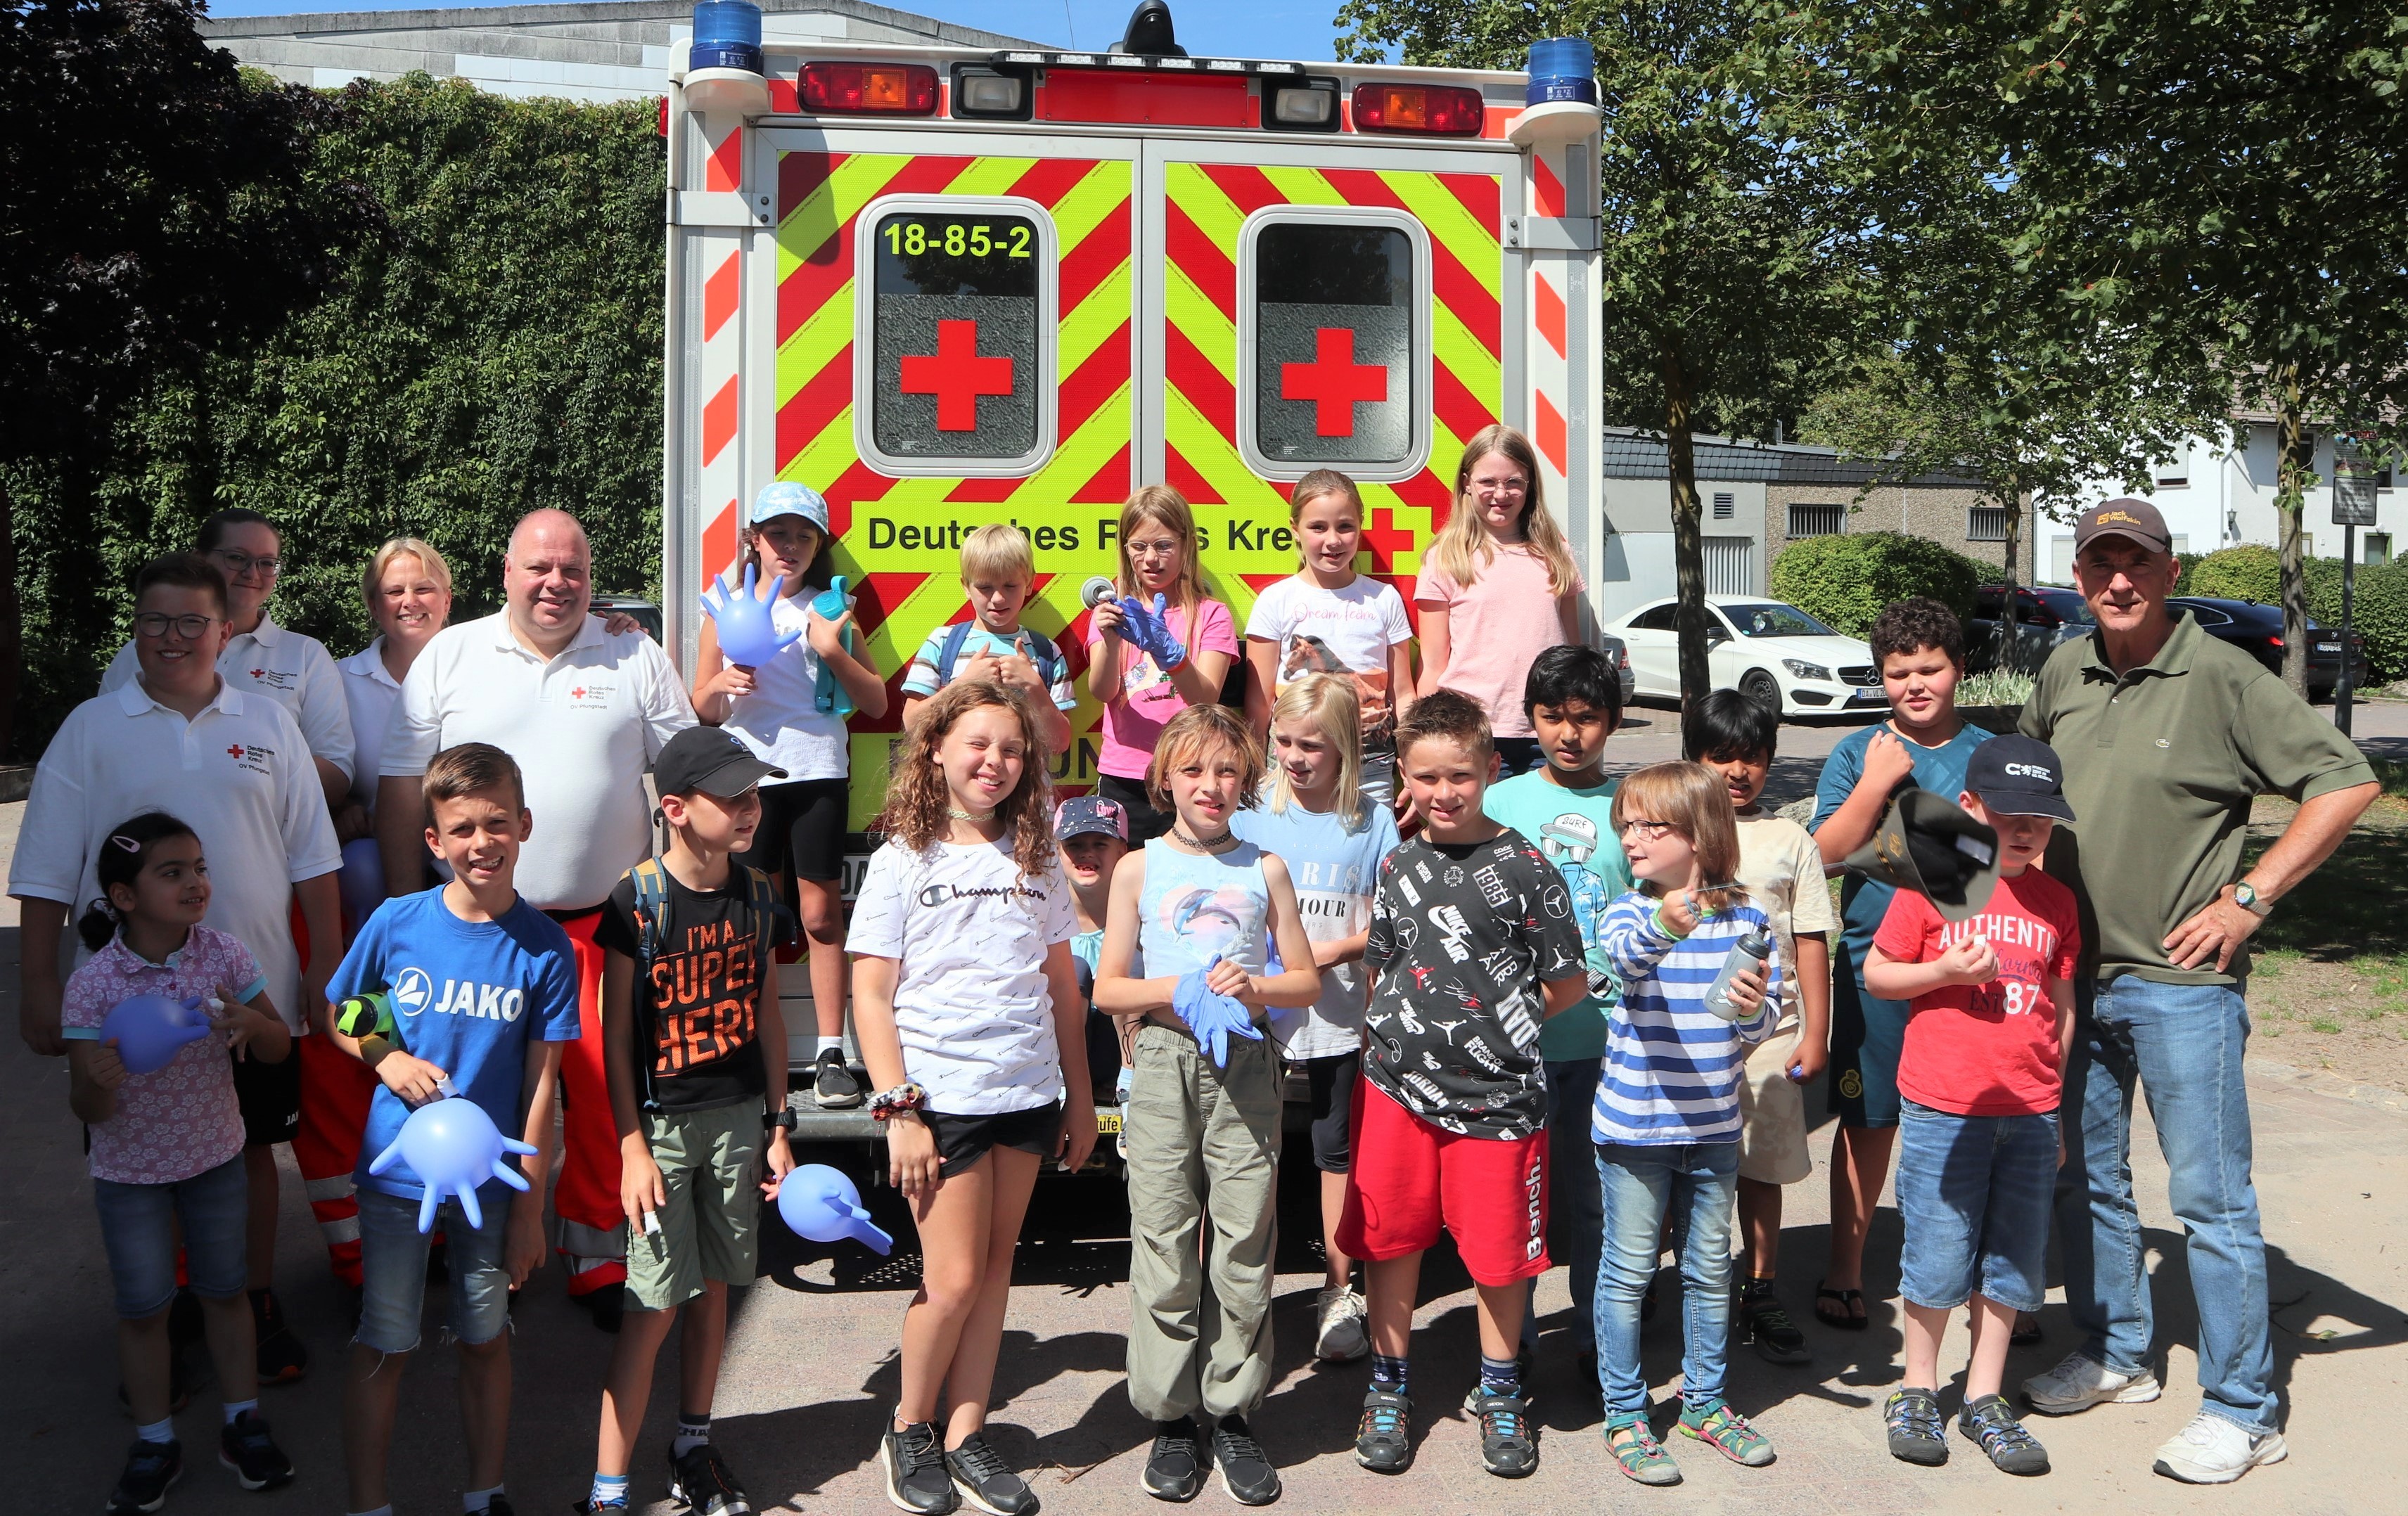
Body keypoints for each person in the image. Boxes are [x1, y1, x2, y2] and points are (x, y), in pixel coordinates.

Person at [2016, 498, 2376, 1484]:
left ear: (2171, 572)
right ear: (2079, 578)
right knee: (2085, 1180)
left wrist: (2250, 898)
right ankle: (2117, 1352)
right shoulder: (2064, 670)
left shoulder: (2222, 675)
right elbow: (2022, 787)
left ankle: (2243, 1409)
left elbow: (2346, 780)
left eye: (2136, 563)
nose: (2117, 581)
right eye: (2100, 564)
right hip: (2076, 978)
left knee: (2211, 1202)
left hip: (2183, 984)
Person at [13, 552, 342, 1385]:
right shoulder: (90, 727)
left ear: (224, 631)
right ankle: (162, 1322)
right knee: (143, 1165)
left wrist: (325, 963)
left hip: (252, 992)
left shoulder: (270, 723)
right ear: (135, 627)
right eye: (154, 619)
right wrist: (41, 983)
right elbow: (45, 867)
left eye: (191, 621)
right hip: (127, 1005)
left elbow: (314, 856)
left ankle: (253, 1302)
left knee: (253, 1152)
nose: (171, 636)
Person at [377, 508, 696, 1323]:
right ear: (506, 571)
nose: (557, 583)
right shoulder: (451, 654)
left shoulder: (633, 652)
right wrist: (404, 905)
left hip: (597, 924)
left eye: (573, 570)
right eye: (540, 568)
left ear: (592, 578)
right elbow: (402, 785)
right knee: (467, 1083)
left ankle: (595, 1253)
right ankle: (468, 1240)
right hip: (471, 927)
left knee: (599, 1087)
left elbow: (685, 771)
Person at [847, 681, 1097, 1516]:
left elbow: (1063, 988)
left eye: (1013, 749)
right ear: (936, 750)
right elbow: (871, 994)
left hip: (1025, 1091)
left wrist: (1079, 1097)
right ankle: (908, 1428)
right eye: (978, 744)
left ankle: (966, 1432)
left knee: (993, 1273)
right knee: (951, 1280)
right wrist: (899, 1110)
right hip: (939, 1098)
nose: (995, 762)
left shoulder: (1036, 856)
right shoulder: (901, 858)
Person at [1342, 690, 1587, 1481]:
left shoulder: (1529, 869)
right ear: (1403, 779)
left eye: (1460, 775)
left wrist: (1502, 1029)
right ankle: (1388, 1387)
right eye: (1426, 777)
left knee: (1498, 1255)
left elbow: (1568, 982)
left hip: (1499, 1100)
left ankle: (1503, 1390)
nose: (1443, 792)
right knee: (1390, 1240)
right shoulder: (1398, 863)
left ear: (1489, 769)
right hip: (1395, 1091)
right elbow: (1382, 963)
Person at [331, 743, 581, 1516]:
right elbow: (342, 1012)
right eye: (463, 828)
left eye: (497, 822)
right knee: (386, 1338)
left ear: (524, 824)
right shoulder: (396, 922)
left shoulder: (546, 948)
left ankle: (484, 1493)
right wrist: (385, 1056)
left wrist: (532, 1206)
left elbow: (542, 1083)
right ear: (433, 839)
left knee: (485, 1334)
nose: (482, 842)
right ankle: (367, 1503)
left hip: (492, 1185)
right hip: (397, 1174)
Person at [1097, 705, 1323, 1506]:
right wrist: (1176, 987)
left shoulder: (1265, 867)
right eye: (1193, 770)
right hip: (1163, 1062)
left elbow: (1305, 980)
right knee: (1163, 1237)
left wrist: (1254, 985)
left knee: (1243, 1239)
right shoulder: (1138, 867)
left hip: (1246, 1067)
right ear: (1164, 778)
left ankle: (1230, 1409)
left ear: (1247, 782)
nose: (1211, 785)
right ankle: (1169, 1415)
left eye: (1227, 771)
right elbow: (1108, 987)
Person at [584, 727, 798, 1516]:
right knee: (652, 1307)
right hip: (662, 1128)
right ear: (674, 809)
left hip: (738, 1119)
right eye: (732, 796)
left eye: (755, 794)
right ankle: (608, 1491)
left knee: (714, 1292)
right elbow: (613, 1038)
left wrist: (779, 1122)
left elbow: (769, 1014)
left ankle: (692, 1449)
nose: (750, 808)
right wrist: (631, 1147)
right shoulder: (636, 900)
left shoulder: (759, 894)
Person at [63, 812, 297, 1515]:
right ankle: (155, 1440)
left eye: (199, 867)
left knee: (227, 1294)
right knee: (144, 1309)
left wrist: (253, 1025)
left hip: (217, 1158)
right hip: (129, 1175)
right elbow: (88, 1108)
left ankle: (241, 1422)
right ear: (123, 895)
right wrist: (98, 1080)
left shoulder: (223, 955)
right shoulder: (95, 984)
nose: (195, 882)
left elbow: (279, 1045)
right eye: (172, 872)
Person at [1864, 736, 2080, 1477]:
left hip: (2029, 1109)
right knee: (1936, 1249)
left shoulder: (2057, 901)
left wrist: (2054, 1103)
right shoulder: (1932, 885)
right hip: (1943, 1107)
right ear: (1969, 808)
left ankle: (1984, 1396)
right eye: (2008, 813)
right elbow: (1879, 973)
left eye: (2040, 819)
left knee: (2013, 1257)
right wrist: (1943, 971)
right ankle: (1917, 1388)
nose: (2024, 830)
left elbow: (2061, 1005)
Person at [1592, 762, 1779, 1486]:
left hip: (1712, 1128)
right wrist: (1667, 924)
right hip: (1634, 1129)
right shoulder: (1627, 911)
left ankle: (1704, 1403)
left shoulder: (1749, 920)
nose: (1631, 838)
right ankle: (1625, 1413)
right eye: (1626, 825)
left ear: (1699, 834)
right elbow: (1626, 958)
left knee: (1708, 1270)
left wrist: (1752, 1009)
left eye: (1650, 825)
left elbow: (1754, 1022)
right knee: (1629, 1272)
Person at [1810, 597, 1991, 1331]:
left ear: (1959, 668)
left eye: (1930, 669)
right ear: (1880, 677)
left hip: (1971, 965)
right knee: (1869, 1120)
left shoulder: (1987, 752)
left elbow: (2014, 854)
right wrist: (1874, 784)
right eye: (1897, 672)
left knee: (1973, 1123)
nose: (1915, 684)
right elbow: (1822, 855)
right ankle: (1845, 1267)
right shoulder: (1858, 751)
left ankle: (1981, 1281)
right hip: (1871, 965)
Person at [692, 483, 889, 1115]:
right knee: (753, 916)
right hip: (747, 778)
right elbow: (702, 707)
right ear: (753, 539)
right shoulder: (727, 609)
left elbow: (877, 701)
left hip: (819, 772)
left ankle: (832, 1053)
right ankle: (746, 1039)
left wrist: (832, 648)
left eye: (805, 535)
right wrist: (723, 683)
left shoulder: (831, 607)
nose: (791, 545)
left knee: (821, 916)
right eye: (778, 533)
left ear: (819, 545)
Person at [1230, 675, 1400, 1368]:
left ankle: (1338, 1290)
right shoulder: (1249, 814)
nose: (1295, 757)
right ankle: (1242, 1296)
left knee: (1336, 1153)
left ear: (1345, 748)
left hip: (1338, 1015)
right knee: (1252, 1153)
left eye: (1313, 746)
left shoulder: (1372, 820)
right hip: (1256, 1015)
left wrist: (1333, 950)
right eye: (1285, 741)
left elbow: (1392, 916)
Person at [305, 537, 457, 1299]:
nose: (409, 601)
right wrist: (345, 814)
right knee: (360, 869)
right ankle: (382, 1009)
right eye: (394, 590)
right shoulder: (341, 680)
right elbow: (321, 778)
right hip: (378, 865)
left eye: (424, 587)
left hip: (461, 858)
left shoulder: (472, 660)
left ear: (448, 598)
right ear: (372, 603)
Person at [1481, 645, 1631, 1393]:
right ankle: (1508, 1352)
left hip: (1608, 1043)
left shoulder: (1635, 804)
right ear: (1530, 719)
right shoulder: (1500, 802)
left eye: (1587, 718)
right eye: (1552, 717)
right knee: (1512, 1206)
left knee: (1596, 1204)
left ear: (1613, 721)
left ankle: (1600, 1343)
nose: (1569, 734)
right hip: (1516, 1047)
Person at [1685, 689, 1833, 1366]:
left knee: (1761, 1167)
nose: (1738, 772)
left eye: (1753, 758)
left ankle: (1761, 1286)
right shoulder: (1674, 830)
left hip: (1772, 1032)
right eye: (1722, 757)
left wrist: (1815, 1033)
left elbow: (1811, 939)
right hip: (1685, 1034)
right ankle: (1686, 1285)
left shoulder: (1790, 840)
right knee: (1680, 1162)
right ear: (1695, 758)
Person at [100, 508, 356, 807]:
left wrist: (237, 788)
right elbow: (100, 749)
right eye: (237, 558)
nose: (252, 573)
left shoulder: (305, 655)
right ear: (199, 560)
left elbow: (336, 769)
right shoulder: (140, 653)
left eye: (267, 563)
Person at [1412, 426, 1584, 778]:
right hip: (1471, 734)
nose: (1501, 494)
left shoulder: (1556, 553)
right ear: (1466, 483)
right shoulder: (1445, 557)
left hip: (1548, 731)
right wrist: (1420, 740)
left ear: (1530, 485)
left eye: (1514, 482)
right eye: (1488, 482)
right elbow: (1432, 666)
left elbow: (1573, 652)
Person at [1242, 472, 1416, 806]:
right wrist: (1253, 767)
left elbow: (1403, 692)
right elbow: (1259, 701)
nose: (1333, 540)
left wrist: (1413, 761)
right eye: (1318, 527)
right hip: (1291, 766)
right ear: (1295, 529)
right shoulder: (1275, 601)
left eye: (1345, 526)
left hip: (1368, 766)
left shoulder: (1384, 599)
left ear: (1361, 526)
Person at [1087, 487, 1241, 842]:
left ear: (1187, 545)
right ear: (1125, 548)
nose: (1151, 559)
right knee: (1123, 871)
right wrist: (1110, 641)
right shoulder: (1112, 611)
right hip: (1125, 773)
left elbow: (1206, 699)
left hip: (1190, 773)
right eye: (1139, 546)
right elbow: (1103, 692)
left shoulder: (1211, 614)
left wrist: (1171, 656)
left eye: (1164, 545)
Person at [900, 520, 1077, 753]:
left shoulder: (1047, 652)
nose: (998, 598)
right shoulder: (942, 643)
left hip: (1028, 778)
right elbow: (912, 724)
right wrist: (963, 684)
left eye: (1010, 586)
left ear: (1029, 583)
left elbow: (1060, 744)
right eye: (985, 588)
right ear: (966, 586)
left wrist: (1034, 686)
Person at [1056, 796, 1136, 1126]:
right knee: (1074, 968)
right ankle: (1064, 1093)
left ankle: (1131, 1090)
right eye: (1074, 845)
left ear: (1122, 852)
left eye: (1100, 844)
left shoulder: (1142, 914)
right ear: (1057, 852)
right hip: (1061, 1055)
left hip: (1123, 1053)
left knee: (1132, 966)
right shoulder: (1041, 916)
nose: (1087, 853)